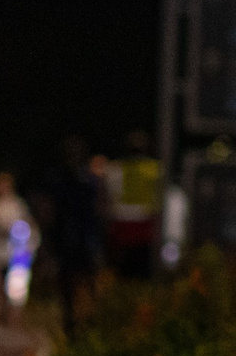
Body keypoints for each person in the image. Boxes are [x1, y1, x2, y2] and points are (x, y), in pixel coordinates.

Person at [40, 134, 104, 332]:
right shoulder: (64, 179)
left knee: (83, 285)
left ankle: (83, 324)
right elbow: (48, 211)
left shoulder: (85, 179)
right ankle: (76, 325)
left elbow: (100, 208)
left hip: (80, 239)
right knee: (73, 287)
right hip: (71, 239)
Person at [104, 129, 163, 281]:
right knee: (140, 274)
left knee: (127, 274)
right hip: (140, 228)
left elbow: (107, 202)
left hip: (132, 228)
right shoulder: (156, 170)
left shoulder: (114, 169)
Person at [0, 169, 35, 319]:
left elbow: (28, 225)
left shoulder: (19, 205)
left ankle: (14, 316)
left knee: (16, 287)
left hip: (16, 252)